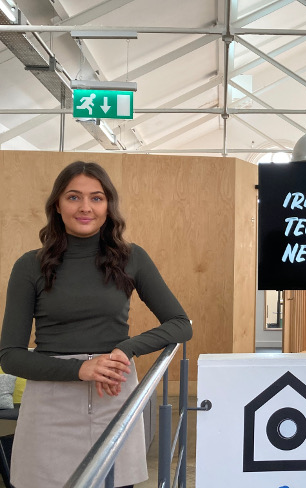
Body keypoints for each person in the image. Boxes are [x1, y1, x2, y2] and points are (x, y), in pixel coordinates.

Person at [0, 161, 193, 487]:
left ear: (108, 206)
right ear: (57, 206)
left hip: (113, 393)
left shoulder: (132, 258)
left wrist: (126, 348)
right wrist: (81, 369)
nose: (85, 207)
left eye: (97, 198)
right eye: (74, 197)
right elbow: (10, 355)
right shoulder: (29, 266)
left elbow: (180, 323)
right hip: (49, 403)